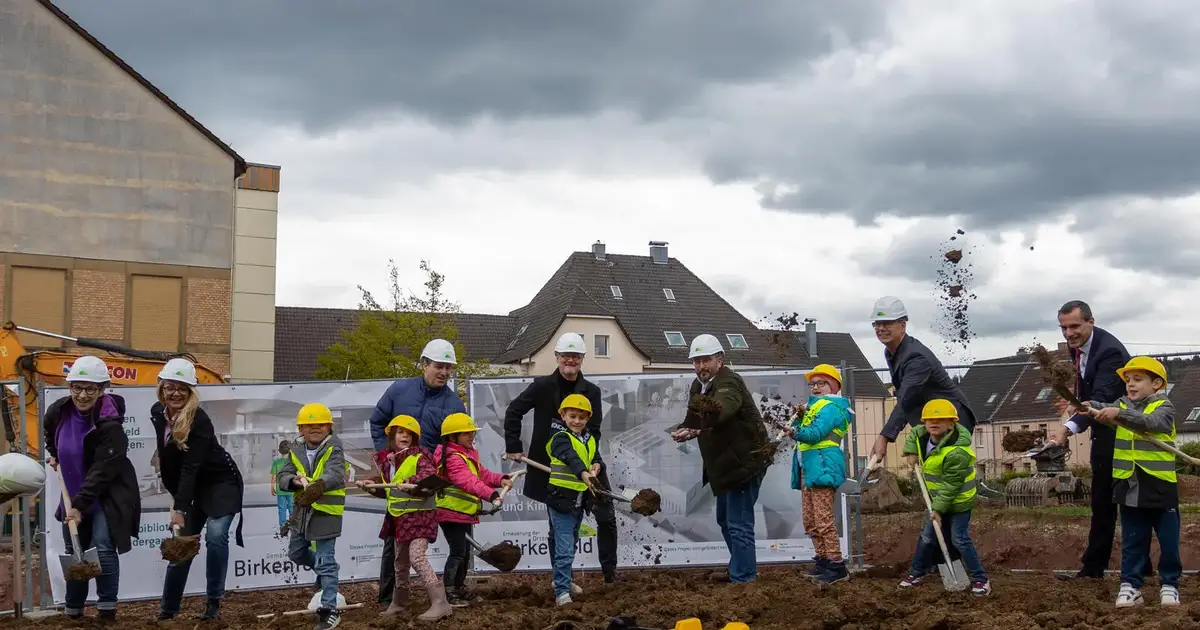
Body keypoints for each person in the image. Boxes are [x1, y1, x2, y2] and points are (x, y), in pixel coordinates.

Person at [503, 333, 619, 583]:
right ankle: (562, 579)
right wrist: (513, 445)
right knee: (558, 526)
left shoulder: (592, 392)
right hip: (552, 468)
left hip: (588, 463)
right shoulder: (542, 386)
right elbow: (514, 411)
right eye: (566, 355)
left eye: (575, 356)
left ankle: (610, 575)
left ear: (582, 359)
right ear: (557, 357)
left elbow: (594, 431)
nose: (570, 360)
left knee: (607, 518)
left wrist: (594, 461)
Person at [1075, 356, 1181, 607]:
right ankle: (1131, 586)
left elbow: (1152, 423)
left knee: (1168, 541)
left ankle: (1169, 585)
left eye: (1137, 379)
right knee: (1132, 540)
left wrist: (1118, 413)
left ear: (1157, 384)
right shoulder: (1121, 405)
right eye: (1127, 381)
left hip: (1159, 485)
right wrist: (1090, 406)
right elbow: (1107, 410)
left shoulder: (1164, 407)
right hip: (1129, 485)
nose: (1130, 385)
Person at [366, 338, 466, 603]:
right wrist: (387, 456)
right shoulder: (400, 390)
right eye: (439, 366)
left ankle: (451, 591)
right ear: (424, 364)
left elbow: (457, 446)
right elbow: (377, 422)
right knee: (394, 539)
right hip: (400, 482)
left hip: (431, 482)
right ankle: (390, 598)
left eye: (449, 367)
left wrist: (441, 473)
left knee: (451, 536)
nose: (444, 372)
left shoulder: (454, 405)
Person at [44, 356, 141, 622]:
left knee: (103, 547)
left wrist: (79, 505)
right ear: (70, 387)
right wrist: (54, 454)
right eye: (77, 387)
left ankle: (107, 611)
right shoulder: (58, 411)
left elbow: (102, 473)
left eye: (90, 388)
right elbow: (50, 434)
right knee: (75, 550)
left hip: (104, 496)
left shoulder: (111, 426)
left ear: (102, 389)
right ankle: (73, 612)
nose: (82, 394)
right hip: (72, 492)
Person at [670, 334, 771, 584]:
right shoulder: (698, 386)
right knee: (725, 520)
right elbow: (695, 419)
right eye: (696, 361)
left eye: (706, 360)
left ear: (720, 359)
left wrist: (696, 428)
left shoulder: (729, 383)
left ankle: (744, 578)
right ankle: (739, 566)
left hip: (745, 463)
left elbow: (723, 409)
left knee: (738, 523)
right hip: (724, 464)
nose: (701, 366)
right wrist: (687, 429)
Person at [1047, 300, 1135, 581]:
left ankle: (1131, 568)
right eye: (1063, 328)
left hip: (1124, 437)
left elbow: (1102, 400)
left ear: (1090, 322)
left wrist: (1067, 429)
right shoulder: (1080, 350)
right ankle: (1094, 568)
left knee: (1126, 504)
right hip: (1104, 434)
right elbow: (1085, 398)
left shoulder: (1109, 352)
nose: (1068, 333)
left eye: (1074, 326)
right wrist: (1070, 415)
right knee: (1102, 503)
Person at [151, 358, 245, 622]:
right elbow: (170, 462)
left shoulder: (199, 420)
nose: (176, 393)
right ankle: (168, 610)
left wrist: (180, 508)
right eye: (171, 387)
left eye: (183, 388)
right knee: (182, 545)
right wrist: (176, 499)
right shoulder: (158, 414)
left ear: (191, 391)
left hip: (220, 483)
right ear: (162, 388)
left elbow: (191, 467)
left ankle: (214, 600)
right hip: (189, 489)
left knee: (216, 536)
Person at [355, 415, 452, 620]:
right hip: (400, 519)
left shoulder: (420, 455)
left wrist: (411, 481)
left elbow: (428, 475)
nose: (405, 436)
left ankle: (440, 602)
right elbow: (389, 491)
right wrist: (371, 486)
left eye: (409, 433)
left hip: (421, 516)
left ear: (415, 438)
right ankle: (399, 603)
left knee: (417, 556)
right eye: (400, 432)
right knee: (400, 562)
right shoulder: (387, 461)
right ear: (392, 436)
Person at [868, 296, 977, 465]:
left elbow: (906, 398)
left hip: (950, 420)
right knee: (932, 475)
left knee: (948, 476)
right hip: (931, 419)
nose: (881, 328)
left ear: (902, 325)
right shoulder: (891, 352)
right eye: (877, 323)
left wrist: (885, 436)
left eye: (887, 323)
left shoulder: (916, 357)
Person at [898, 399, 990, 596]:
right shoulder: (922, 435)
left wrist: (937, 511)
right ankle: (916, 572)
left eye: (940, 419)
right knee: (926, 538)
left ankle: (981, 579)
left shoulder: (957, 452)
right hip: (936, 499)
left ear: (952, 423)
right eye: (929, 419)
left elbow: (951, 485)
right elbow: (914, 432)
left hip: (958, 501)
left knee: (959, 539)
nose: (933, 423)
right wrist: (911, 451)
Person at [277, 403, 347, 630]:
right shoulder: (295, 449)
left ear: (329, 427)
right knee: (296, 553)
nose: (315, 428)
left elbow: (335, 474)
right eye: (310, 425)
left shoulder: (334, 448)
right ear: (301, 429)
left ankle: (329, 610)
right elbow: (283, 475)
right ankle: (327, 570)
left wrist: (317, 486)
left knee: (325, 560)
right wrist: (295, 482)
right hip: (302, 513)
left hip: (326, 512)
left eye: (320, 424)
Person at [783, 364, 852, 584]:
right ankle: (822, 562)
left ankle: (836, 566)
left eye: (821, 383)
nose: (815, 387)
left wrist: (795, 431)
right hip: (810, 468)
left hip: (823, 467)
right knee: (810, 520)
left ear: (833, 386)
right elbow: (810, 431)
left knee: (823, 520)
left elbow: (814, 435)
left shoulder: (831, 407)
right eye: (813, 384)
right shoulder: (815, 407)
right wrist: (802, 417)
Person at [434, 413, 511, 607]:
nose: (471, 436)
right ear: (453, 437)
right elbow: (468, 481)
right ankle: (450, 592)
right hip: (450, 513)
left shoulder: (466, 454)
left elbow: (481, 474)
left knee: (464, 553)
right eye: (466, 433)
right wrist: (492, 495)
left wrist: (500, 479)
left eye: (472, 433)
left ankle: (457, 588)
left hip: (462, 513)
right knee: (458, 552)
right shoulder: (453, 458)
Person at [545, 394, 605, 606]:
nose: (576, 421)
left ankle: (563, 580)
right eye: (572, 416)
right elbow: (571, 457)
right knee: (565, 548)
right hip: (561, 500)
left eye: (581, 417)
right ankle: (562, 592)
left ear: (588, 418)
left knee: (569, 544)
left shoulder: (589, 438)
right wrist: (583, 473)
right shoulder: (560, 437)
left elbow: (593, 456)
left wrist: (597, 466)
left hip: (579, 502)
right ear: (563, 415)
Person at [271, 440, 294, 531]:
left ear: (279, 450)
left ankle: (283, 525)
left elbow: (273, 477)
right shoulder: (293, 462)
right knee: (292, 507)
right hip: (292, 489)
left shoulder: (276, 463)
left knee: (282, 508)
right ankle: (293, 524)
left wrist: (272, 488)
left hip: (280, 489)